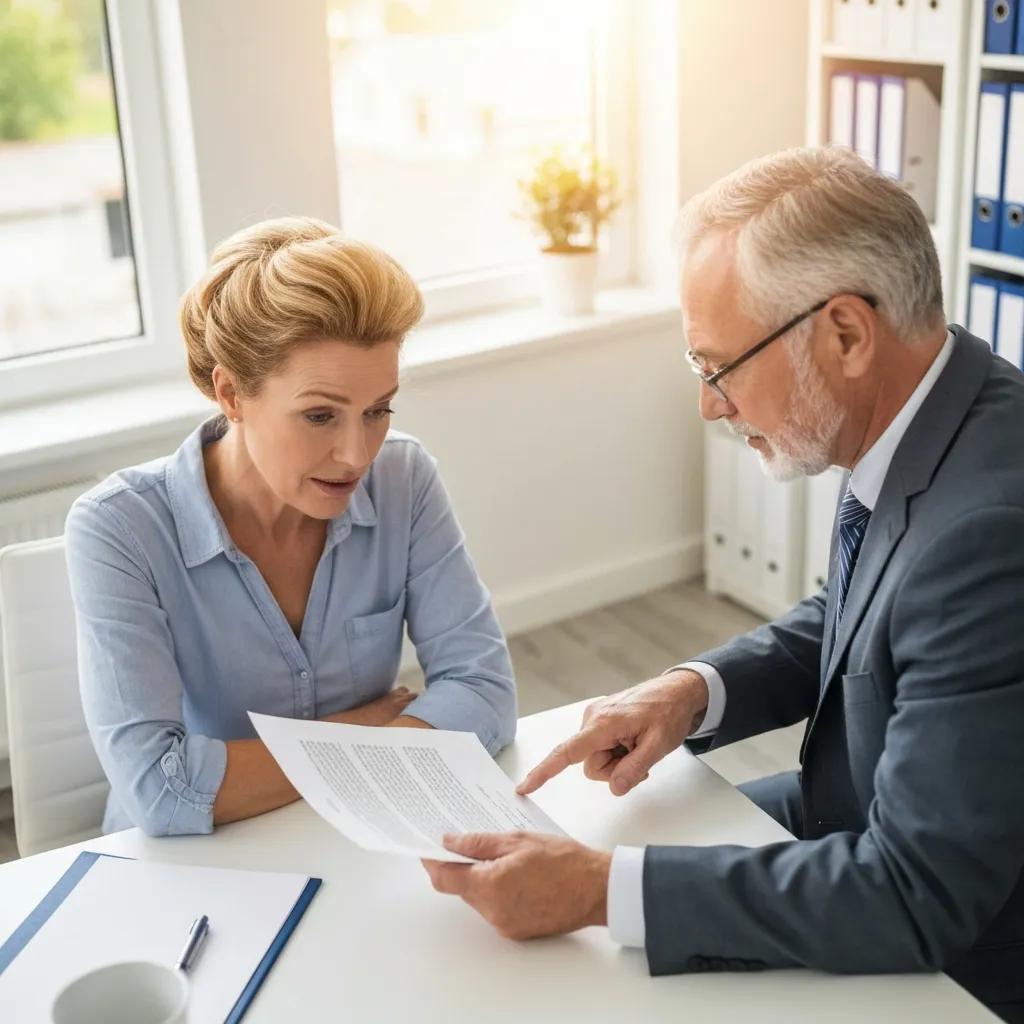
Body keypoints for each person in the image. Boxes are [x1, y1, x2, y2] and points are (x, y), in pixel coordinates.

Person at [421, 146, 1024, 1024]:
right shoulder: (935, 416)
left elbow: (918, 894)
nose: (710, 405)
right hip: (862, 818)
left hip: (961, 946)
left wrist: (599, 895)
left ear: (847, 333)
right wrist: (690, 692)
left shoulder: (988, 531)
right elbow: (869, 617)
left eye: (719, 366)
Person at [66, 217, 516, 838]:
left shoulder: (403, 477)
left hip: (361, 833)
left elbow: (484, 692)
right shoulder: (118, 530)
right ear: (230, 393)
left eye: (378, 410)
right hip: (193, 862)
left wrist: (258, 768)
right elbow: (161, 792)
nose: (358, 454)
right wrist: (365, 725)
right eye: (319, 415)